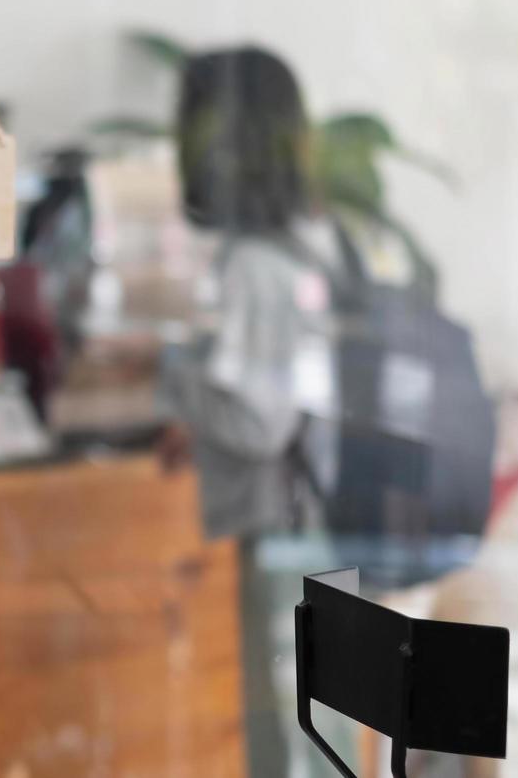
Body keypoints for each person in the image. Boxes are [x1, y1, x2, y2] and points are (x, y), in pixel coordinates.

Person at [156, 46, 340, 776]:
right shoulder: (304, 247)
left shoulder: (256, 264)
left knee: (293, 742)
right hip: (311, 523)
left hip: (285, 530)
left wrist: (168, 372)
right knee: (313, 729)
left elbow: (260, 422)